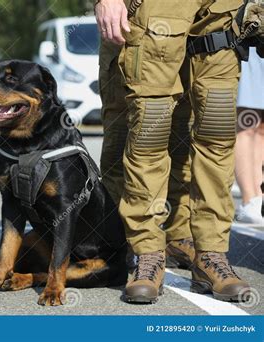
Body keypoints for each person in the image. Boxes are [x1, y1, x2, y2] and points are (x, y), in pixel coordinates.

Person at [95, 0, 251, 303]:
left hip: (224, 9)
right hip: (155, 9)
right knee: (149, 131)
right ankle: (147, 254)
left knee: (216, 131)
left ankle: (211, 255)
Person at [98, 40, 196, 271]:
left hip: (187, 30)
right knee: (127, 135)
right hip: (131, 29)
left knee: (182, 137)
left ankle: (178, 235)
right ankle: (122, 239)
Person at [234, 46, 264, 225]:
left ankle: (259, 196)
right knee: (247, 121)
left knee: (261, 126)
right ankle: (248, 198)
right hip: (251, 41)